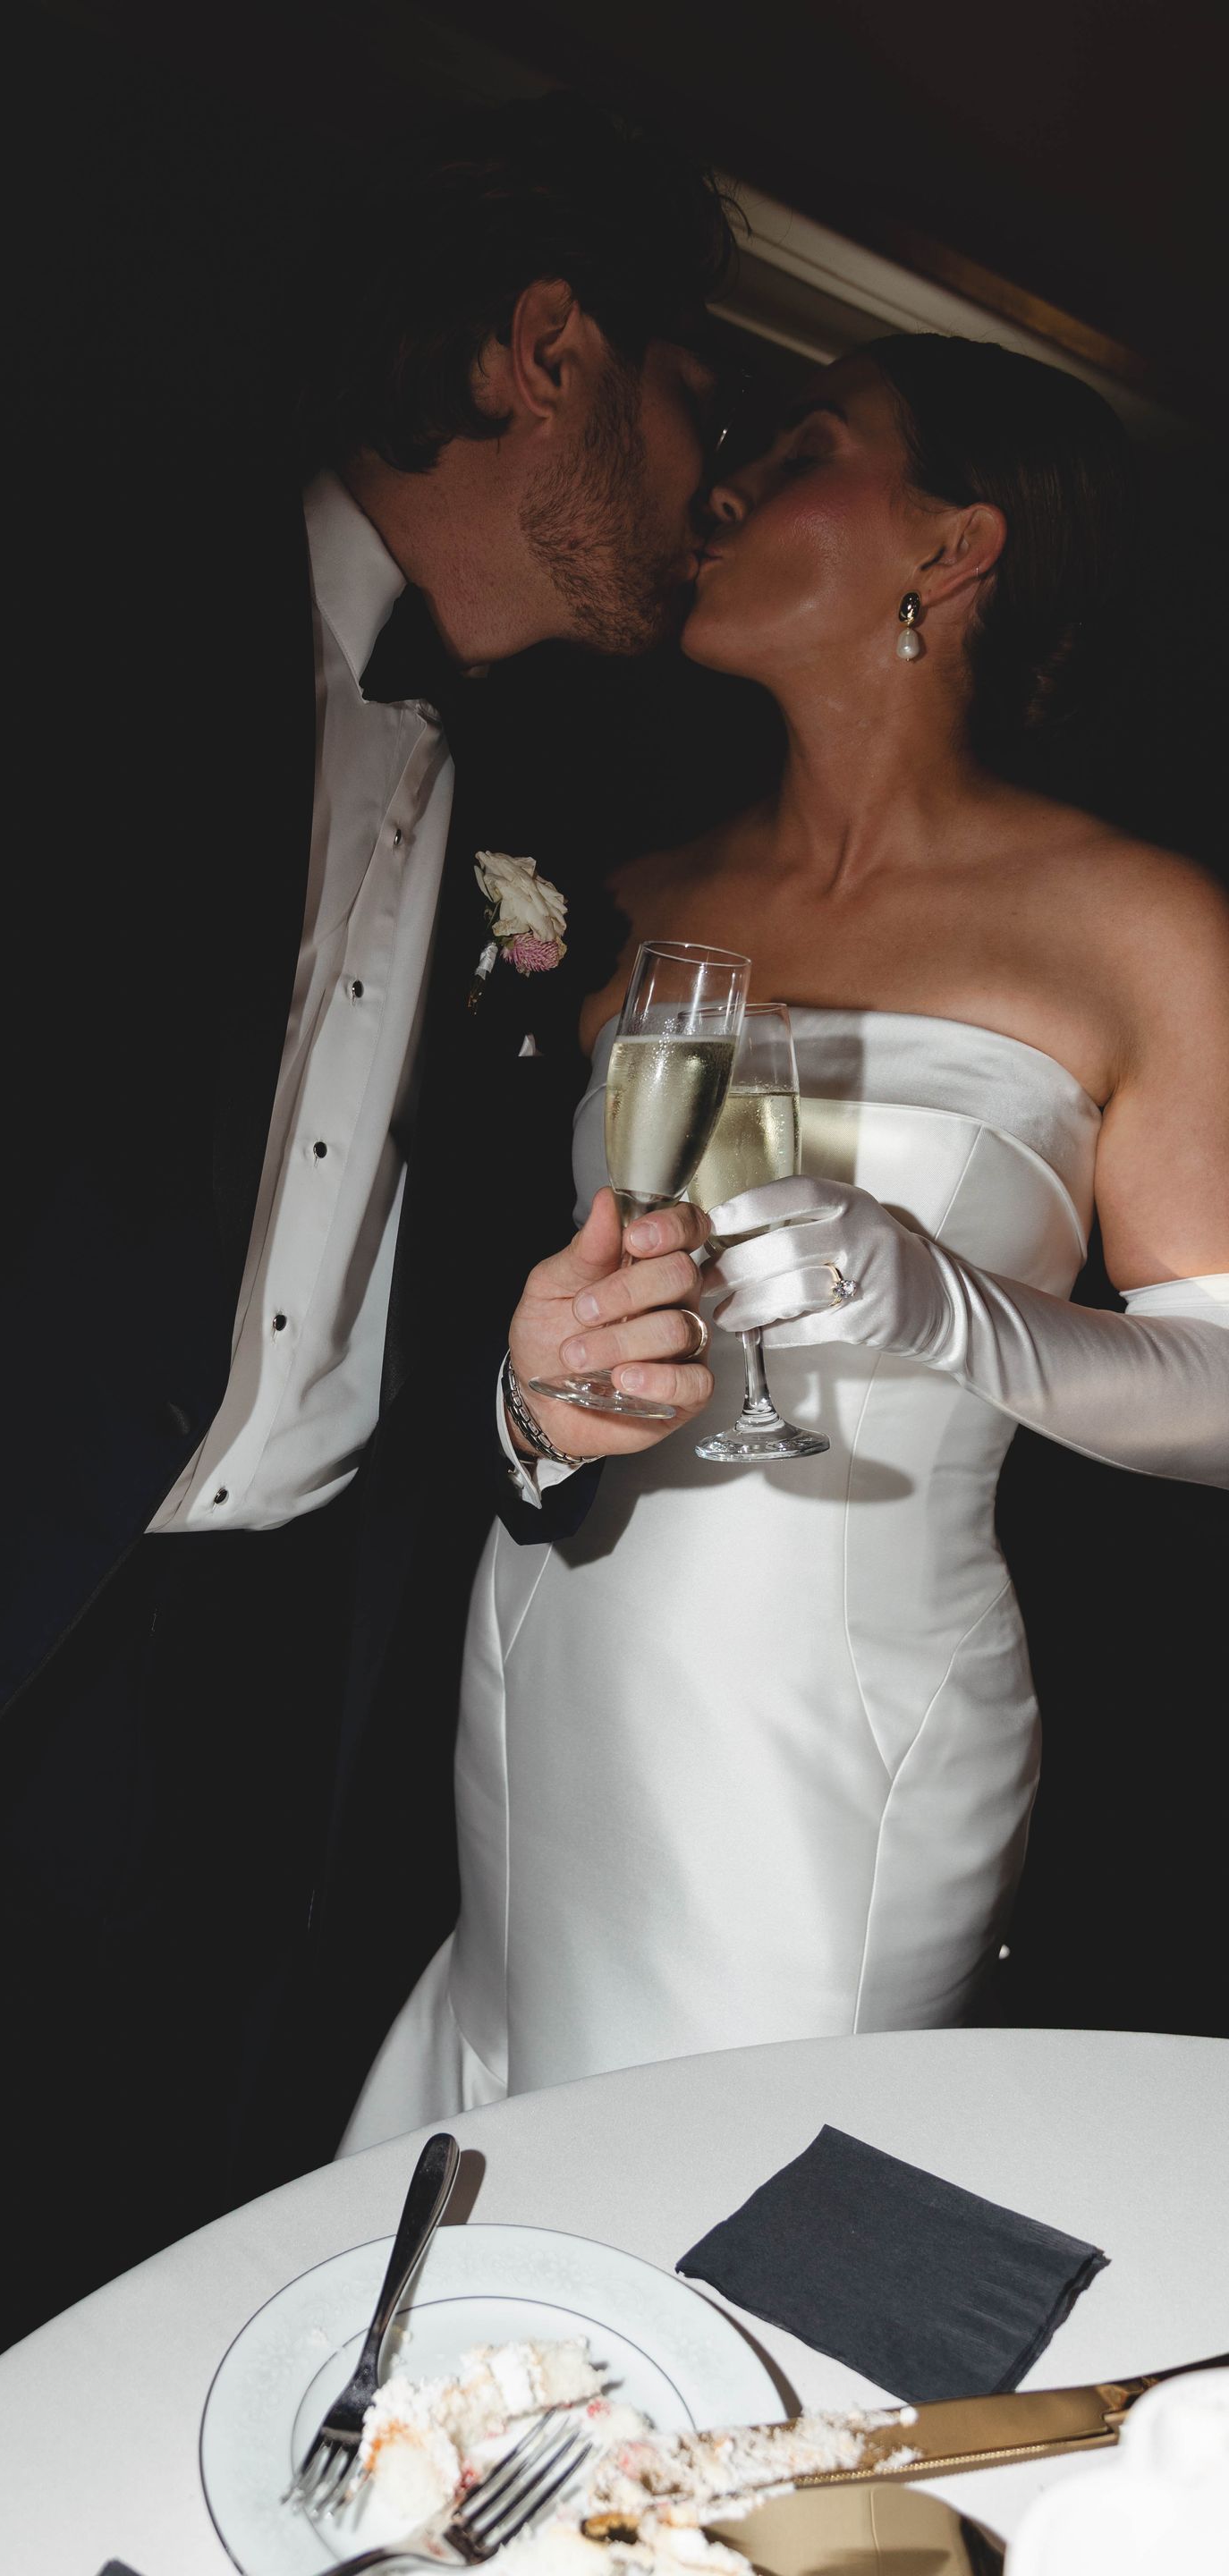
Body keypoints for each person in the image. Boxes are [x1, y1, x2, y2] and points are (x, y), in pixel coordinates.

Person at [0, 86, 732, 2572]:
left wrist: (533, 1400)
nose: (713, 475)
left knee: (121, 2344)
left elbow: (446, 1275)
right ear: (550, 349)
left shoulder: (531, 789)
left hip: (252, 1714)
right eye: (698, 393)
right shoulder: (35, 562)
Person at [344, 333, 1229, 2149]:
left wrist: (956, 1313)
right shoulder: (629, 891)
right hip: (544, 1670)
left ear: (953, 549)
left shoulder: (1136, 926)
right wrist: (534, 1379)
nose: (728, 483)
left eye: (810, 446)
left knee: (723, 2236)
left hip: (823, 1754)